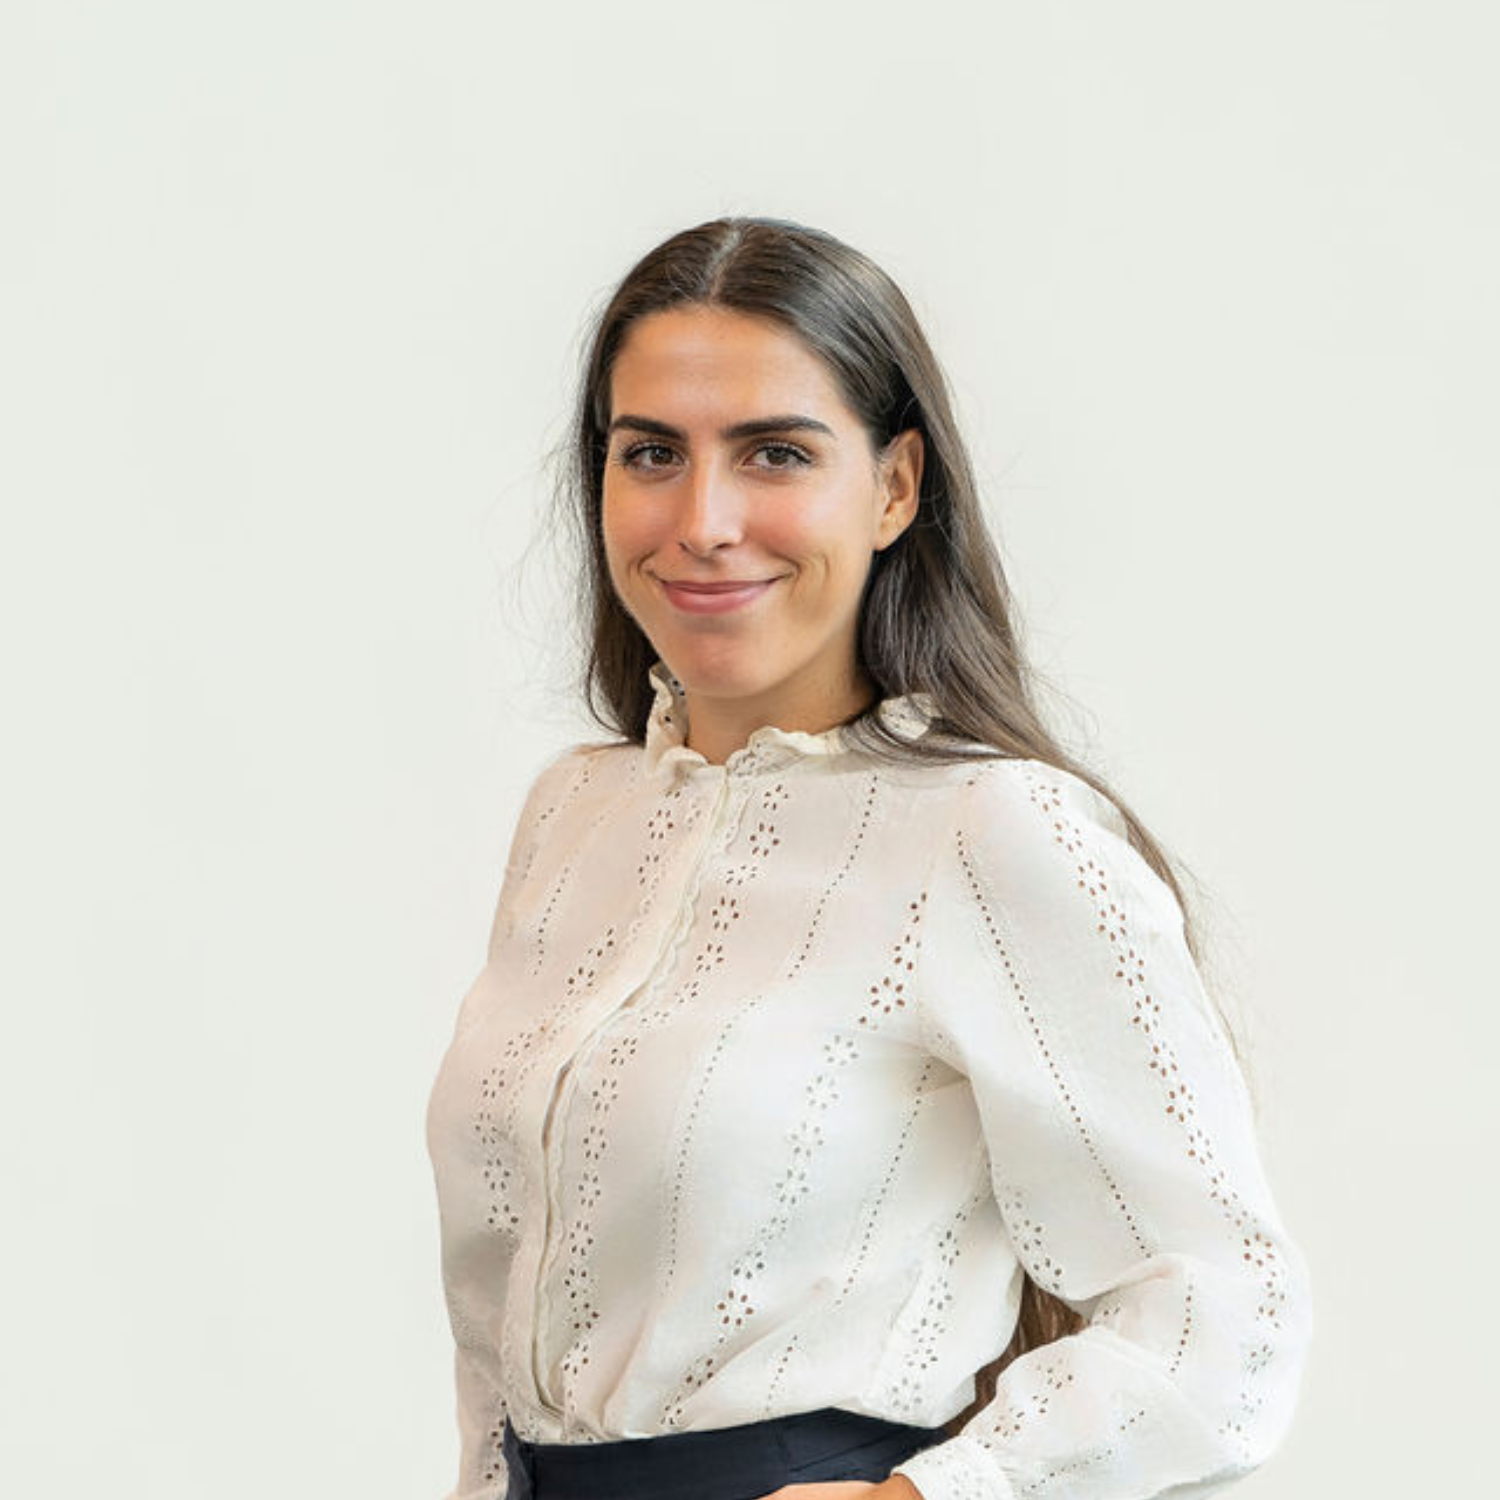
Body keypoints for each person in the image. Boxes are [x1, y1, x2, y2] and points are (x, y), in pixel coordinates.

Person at [424, 216, 1314, 1500]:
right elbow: (497, 1326)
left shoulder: (993, 832)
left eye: (776, 453)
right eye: (652, 453)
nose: (703, 520)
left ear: (895, 486)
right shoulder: (575, 817)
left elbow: (1229, 1311)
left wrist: (934, 1498)